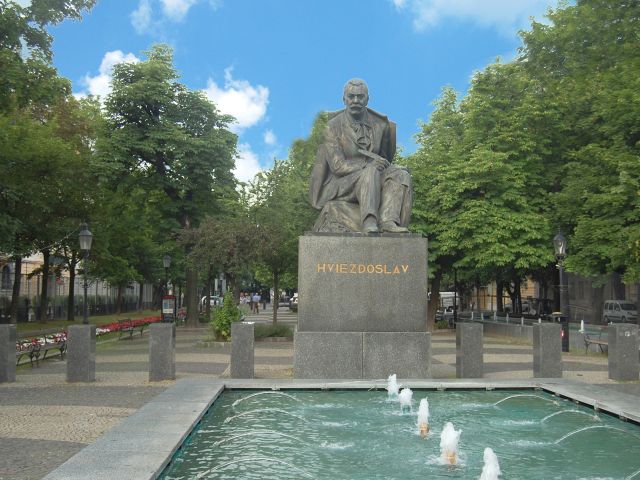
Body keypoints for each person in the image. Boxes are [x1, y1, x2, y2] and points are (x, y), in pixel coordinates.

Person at [309, 78, 413, 233]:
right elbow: (338, 166)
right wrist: (367, 165)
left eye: (360, 96)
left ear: (367, 99)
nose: (355, 100)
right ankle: (369, 221)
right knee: (369, 171)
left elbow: (384, 158)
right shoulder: (332, 127)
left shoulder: (381, 125)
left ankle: (388, 220)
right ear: (344, 99)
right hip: (342, 183)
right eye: (351, 96)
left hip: (372, 177)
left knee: (400, 174)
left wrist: (391, 168)